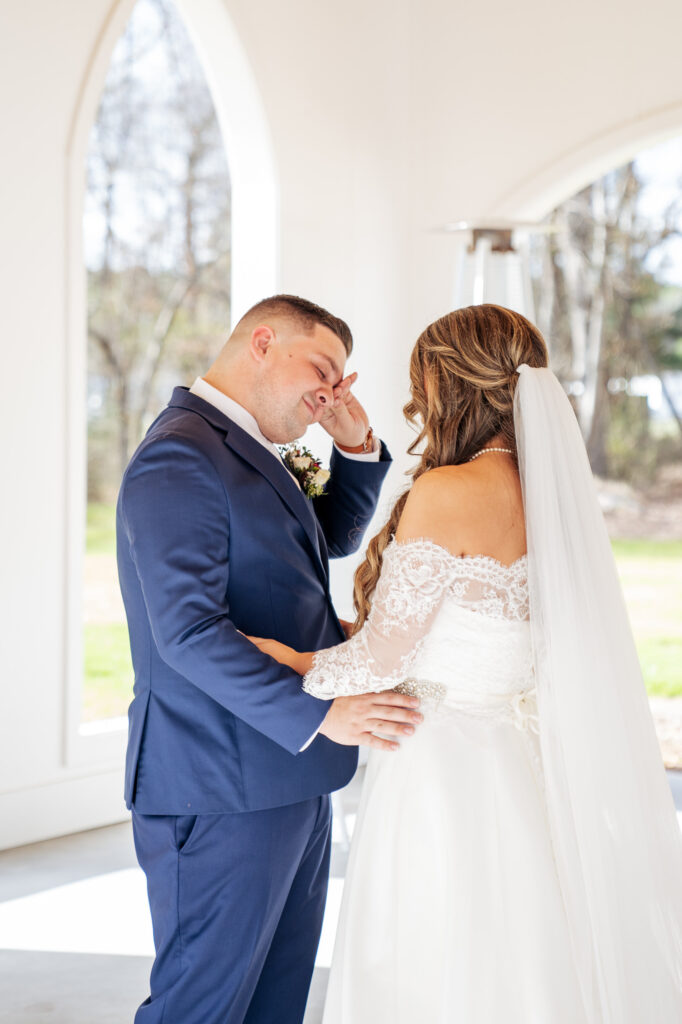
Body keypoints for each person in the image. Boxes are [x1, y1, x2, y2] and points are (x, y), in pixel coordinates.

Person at [250, 304, 682, 1023]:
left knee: (433, 957)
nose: (416, 401)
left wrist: (285, 659)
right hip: (519, 761)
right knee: (518, 955)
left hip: (441, 768)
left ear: (448, 383)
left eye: (422, 382)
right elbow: (469, 626)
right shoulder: (545, 495)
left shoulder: (452, 491)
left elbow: (381, 658)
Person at [116, 294, 423, 1024]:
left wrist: (352, 446)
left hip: (289, 776)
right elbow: (187, 632)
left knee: (274, 1006)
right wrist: (320, 713)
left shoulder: (246, 447)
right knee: (204, 1008)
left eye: (341, 378)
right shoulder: (180, 455)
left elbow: (319, 544)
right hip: (220, 784)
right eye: (321, 367)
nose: (329, 390)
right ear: (262, 342)